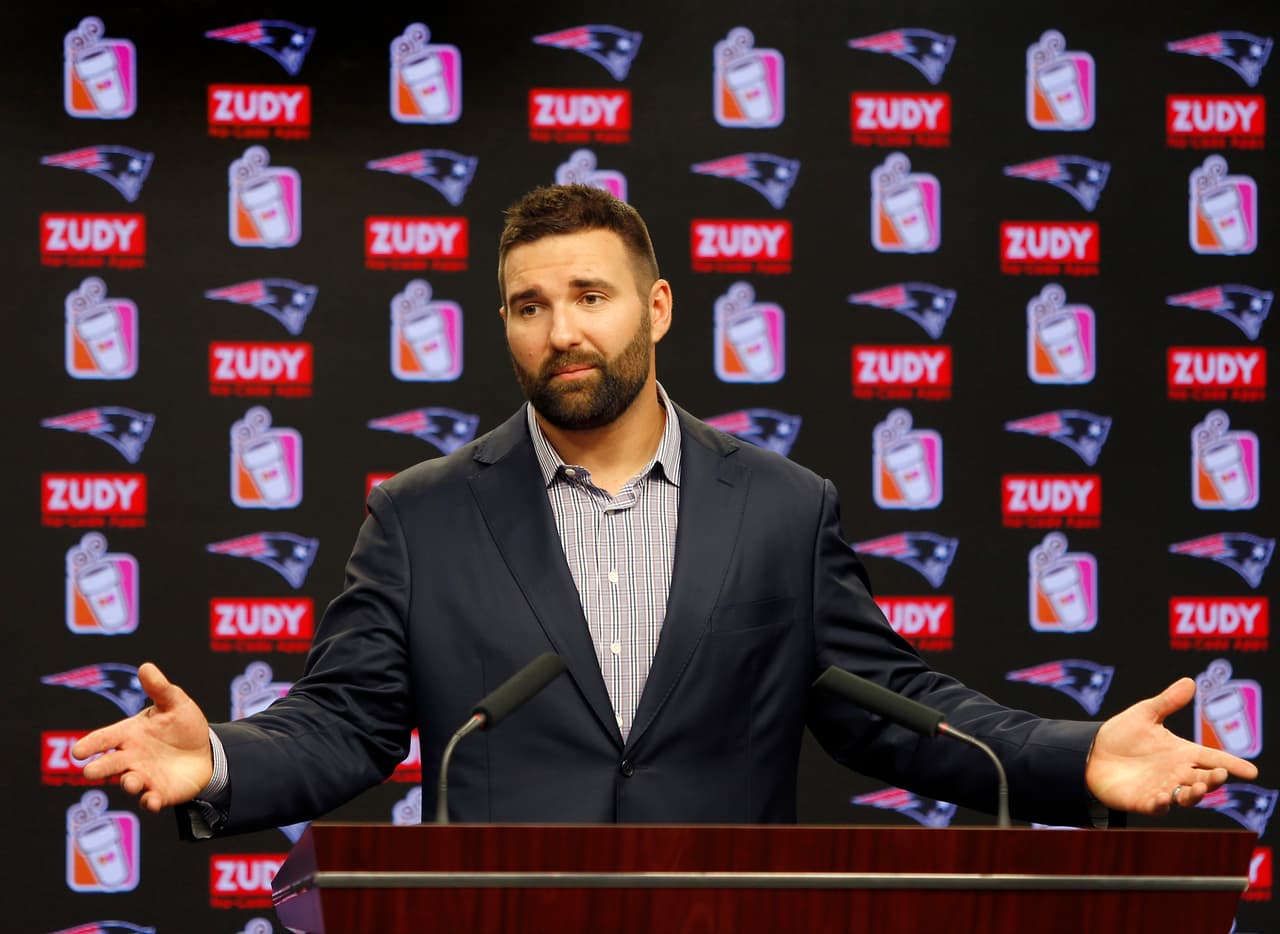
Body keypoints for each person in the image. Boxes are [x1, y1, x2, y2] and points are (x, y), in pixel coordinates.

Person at [75, 184, 1256, 833]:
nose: (561, 331)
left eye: (589, 295)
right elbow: (343, 725)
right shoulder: (422, 515)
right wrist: (223, 756)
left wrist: (1075, 752)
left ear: (658, 307)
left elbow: (897, 713)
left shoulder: (782, 510)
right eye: (528, 307)